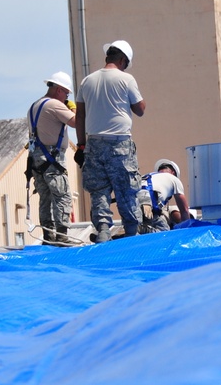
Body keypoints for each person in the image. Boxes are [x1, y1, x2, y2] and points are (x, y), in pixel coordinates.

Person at [74, 40, 146, 243]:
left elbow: (80, 115)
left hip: (93, 144)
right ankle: (132, 234)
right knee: (126, 189)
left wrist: (81, 145)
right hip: (120, 144)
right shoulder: (126, 79)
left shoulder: (87, 81)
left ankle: (103, 232)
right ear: (123, 60)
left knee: (99, 191)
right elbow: (140, 110)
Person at [27, 71, 77, 243]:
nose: (66, 97)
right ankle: (62, 236)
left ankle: (48, 236)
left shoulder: (34, 106)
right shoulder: (55, 105)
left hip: (37, 159)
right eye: (66, 93)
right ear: (59, 90)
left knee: (45, 198)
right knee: (62, 195)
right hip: (53, 159)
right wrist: (73, 108)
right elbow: (76, 122)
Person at [137, 158, 191, 233]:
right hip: (150, 198)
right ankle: (142, 229)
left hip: (133, 198)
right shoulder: (175, 180)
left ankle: (136, 229)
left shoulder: (148, 176)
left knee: (135, 228)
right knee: (164, 231)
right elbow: (184, 210)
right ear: (173, 172)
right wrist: (187, 232)